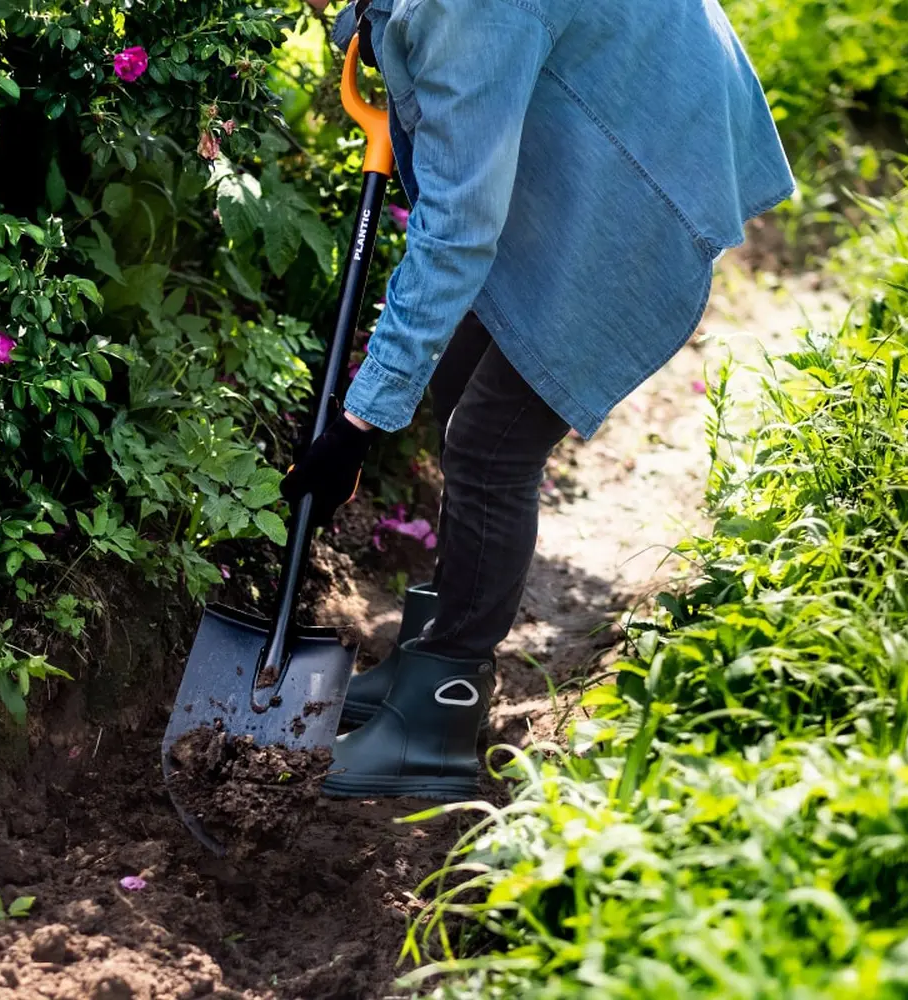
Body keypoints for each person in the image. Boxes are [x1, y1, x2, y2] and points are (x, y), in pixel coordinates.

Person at [280, 0, 795, 801]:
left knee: (491, 440)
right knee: (455, 379)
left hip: (650, 155)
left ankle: (439, 716)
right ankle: (428, 655)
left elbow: (459, 225)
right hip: (615, 104)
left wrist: (357, 422)